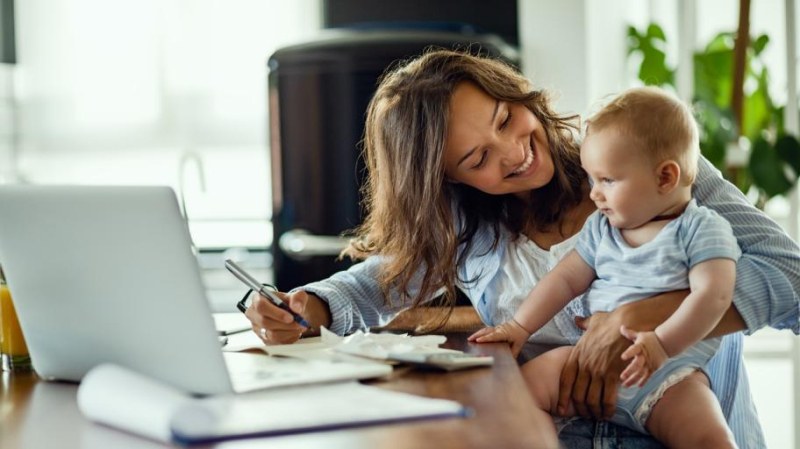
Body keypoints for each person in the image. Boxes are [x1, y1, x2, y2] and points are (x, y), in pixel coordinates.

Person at [243, 49, 800, 448]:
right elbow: (374, 283)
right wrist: (303, 308)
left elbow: (791, 279)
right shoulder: (468, 224)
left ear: (515, 94)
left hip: (686, 425)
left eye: (507, 120)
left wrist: (643, 315)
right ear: (450, 181)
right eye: (477, 160)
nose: (513, 153)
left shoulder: (647, 165)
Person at [469, 86, 739, 448]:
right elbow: (565, 279)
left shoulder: (700, 229)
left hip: (669, 375)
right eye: (592, 179)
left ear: (664, 178)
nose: (594, 194)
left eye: (607, 181)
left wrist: (660, 343)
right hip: (586, 362)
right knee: (515, 396)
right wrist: (519, 326)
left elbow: (715, 295)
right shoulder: (602, 227)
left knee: (711, 437)